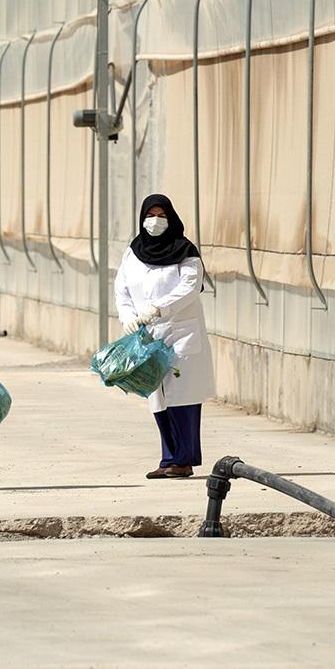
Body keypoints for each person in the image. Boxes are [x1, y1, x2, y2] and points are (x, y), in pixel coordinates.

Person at [114, 193, 215, 479]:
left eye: (161, 216)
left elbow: (190, 287)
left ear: (171, 218)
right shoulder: (133, 252)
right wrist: (127, 317)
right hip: (147, 336)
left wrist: (160, 308)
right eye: (150, 216)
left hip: (180, 334)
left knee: (181, 397)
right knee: (157, 397)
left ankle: (182, 459)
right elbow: (122, 288)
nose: (155, 221)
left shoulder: (186, 252)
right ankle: (169, 458)